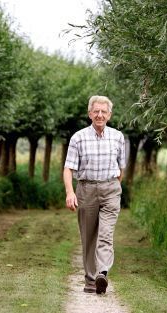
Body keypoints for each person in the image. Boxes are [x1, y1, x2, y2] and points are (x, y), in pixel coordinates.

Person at [63, 95, 125, 294]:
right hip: (86, 189)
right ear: (90, 114)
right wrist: (70, 192)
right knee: (89, 237)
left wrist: (114, 187)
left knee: (105, 235)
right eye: (96, 111)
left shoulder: (118, 137)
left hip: (110, 190)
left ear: (109, 115)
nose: (100, 115)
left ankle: (102, 273)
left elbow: (120, 168)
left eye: (103, 112)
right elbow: (68, 169)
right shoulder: (78, 138)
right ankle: (91, 282)